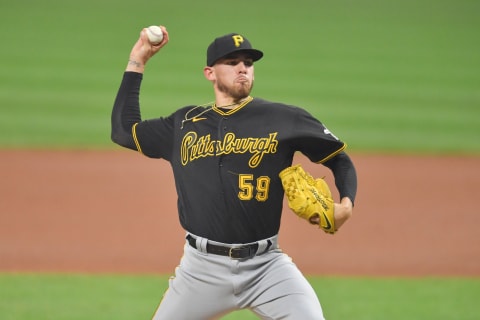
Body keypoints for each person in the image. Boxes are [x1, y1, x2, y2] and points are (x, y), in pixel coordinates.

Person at [111, 26, 357, 320]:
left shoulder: (284, 118)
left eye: (248, 63)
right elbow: (124, 132)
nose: (242, 68)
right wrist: (137, 59)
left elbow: (339, 159)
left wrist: (346, 205)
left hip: (267, 267)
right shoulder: (184, 124)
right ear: (210, 73)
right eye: (231, 62)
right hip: (200, 271)